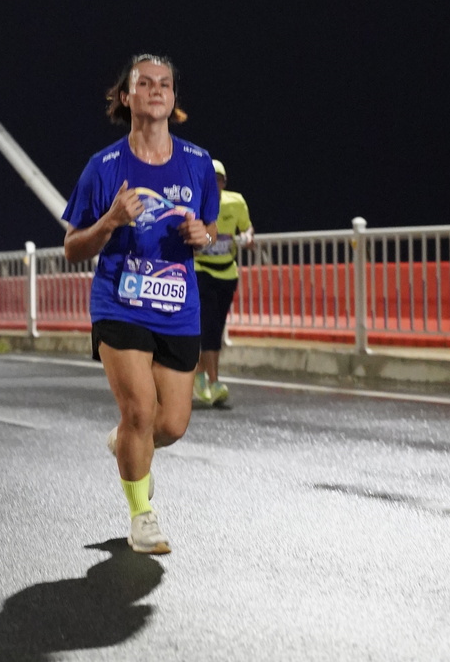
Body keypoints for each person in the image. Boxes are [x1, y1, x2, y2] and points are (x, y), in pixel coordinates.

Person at [63, 54, 219, 555]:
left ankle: (128, 444)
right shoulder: (103, 167)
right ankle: (141, 515)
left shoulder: (197, 162)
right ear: (126, 97)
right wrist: (110, 221)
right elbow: (72, 248)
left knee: (170, 424)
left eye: (165, 84)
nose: (155, 90)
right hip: (120, 303)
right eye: (145, 83)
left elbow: (211, 228)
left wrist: (203, 235)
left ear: (173, 99)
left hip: (178, 305)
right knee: (139, 411)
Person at [193, 159, 254, 406]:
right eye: (210, 180)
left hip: (228, 272)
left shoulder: (236, 202)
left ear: (224, 182)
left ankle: (198, 372)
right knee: (209, 326)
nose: (214, 184)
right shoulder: (194, 204)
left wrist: (247, 237)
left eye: (218, 179)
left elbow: (248, 228)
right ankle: (215, 382)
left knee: (216, 327)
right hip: (201, 271)